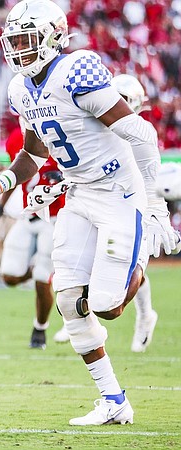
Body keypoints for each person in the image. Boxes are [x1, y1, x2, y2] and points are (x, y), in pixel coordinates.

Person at [0, 0, 180, 426]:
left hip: (120, 190)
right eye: (13, 42)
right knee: (68, 299)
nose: (19, 50)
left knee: (106, 306)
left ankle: (142, 255)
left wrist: (154, 201)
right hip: (81, 194)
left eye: (26, 40)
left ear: (53, 36)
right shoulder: (19, 89)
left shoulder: (77, 71)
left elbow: (140, 132)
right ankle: (113, 400)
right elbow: (32, 154)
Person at [0, 122, 67, 349]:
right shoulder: (15, 138)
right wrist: (1, 206)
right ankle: (36, 268)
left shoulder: (62, 128)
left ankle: (39, 328)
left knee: (43, 277)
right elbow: (15, 173)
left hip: (54, 217)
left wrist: (63, 177)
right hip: (28, 215)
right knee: (9, 276)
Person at [110, 74, 159, 353]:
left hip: (137, 206)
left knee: (132, 272)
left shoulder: (142, 132)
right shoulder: (102, 128)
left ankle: (144, 316)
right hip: (109, 204)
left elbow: (149, 179)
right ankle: (79, 321)